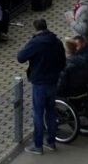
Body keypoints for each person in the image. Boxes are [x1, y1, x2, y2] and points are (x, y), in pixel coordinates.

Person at [17, 18, 66, 154]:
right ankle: (51, 142)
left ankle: (37, 145)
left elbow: (20, 57)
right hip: (53, 81)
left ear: (36, 29)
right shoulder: (56, 42)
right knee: (50, 112)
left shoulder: (36, 43)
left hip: (39, 83)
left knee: (38, 114)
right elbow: (63, 62)